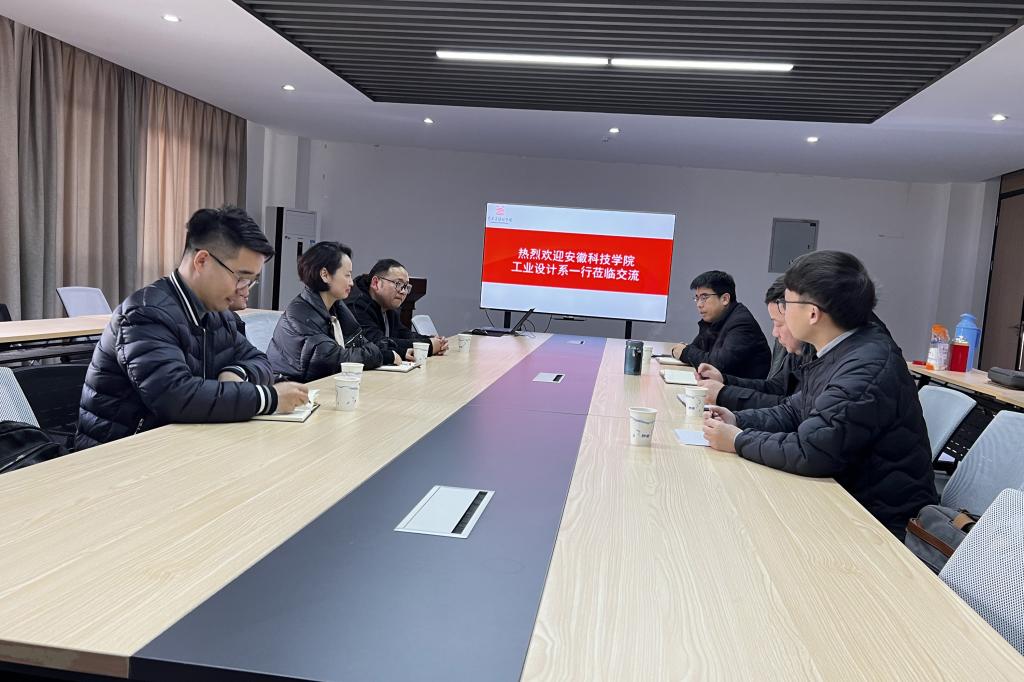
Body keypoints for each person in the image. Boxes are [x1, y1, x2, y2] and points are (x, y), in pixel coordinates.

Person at [702, 251, 937, 538]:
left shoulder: (866, 366)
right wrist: (738, 419)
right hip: (845, 499)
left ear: (812, 313)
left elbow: (811, 451)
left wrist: (738, 440)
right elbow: (793, 410)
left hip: (878, 525)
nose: (781, 314)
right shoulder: (841, 350)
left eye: (786, 303)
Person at [76, 206, 309, 450]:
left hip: (181, 444)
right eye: (241, 277)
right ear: (202, 261)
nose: (244, 289)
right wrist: (269, 399)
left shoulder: (219, 315)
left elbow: (260, 360)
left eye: (251, 281)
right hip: (119, 454)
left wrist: (236, 372)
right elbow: (175, 396)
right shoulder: (146, 313)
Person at [268, 242, 398, 382]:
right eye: (347, 275)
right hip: (291, 388)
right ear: (325, 275)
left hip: (320, 384)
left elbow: (361, 342)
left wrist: (386, 352)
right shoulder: (300, 314)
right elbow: (334, 359)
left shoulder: (336, 307)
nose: (351, 282)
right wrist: (384, 356)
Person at [696, 277, 813, 411]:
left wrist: (724, 394)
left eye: (779, 324)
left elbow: (791, 410)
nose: (774, 333)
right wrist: (723, 380)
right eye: (697, 298)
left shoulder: (741, 322)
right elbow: (776, 387)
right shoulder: (799, 352)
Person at [670, 270, 770, 379]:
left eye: (704, 298)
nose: (699, 304)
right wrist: (686, 351)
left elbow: (717, 365)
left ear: (725, 299)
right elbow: (696, 348)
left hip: (742, 388)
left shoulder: (742, 323)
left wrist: (685, 352)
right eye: (697, 298)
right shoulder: (716, 319)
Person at [346, 258, 448, 359]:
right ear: (376, 283)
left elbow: (402, 333)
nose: (403, 292)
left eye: (406, 287)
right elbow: (376, 343)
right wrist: (428, 345)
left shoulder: (389, 305)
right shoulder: (356, 306)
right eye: (398, 284)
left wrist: (432, 339)